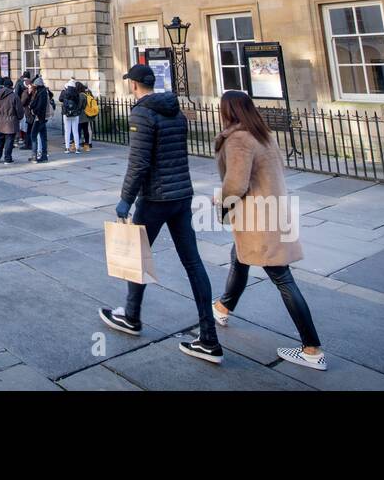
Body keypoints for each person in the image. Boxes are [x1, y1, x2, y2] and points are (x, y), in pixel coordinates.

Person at [99, 63, 222, 364]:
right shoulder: (176, 111)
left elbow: (139, 162)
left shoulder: (142, 112)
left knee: (136, 257)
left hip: (155, 198)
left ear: (134, 85)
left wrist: (125, 199)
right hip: (182, 195)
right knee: (193, 264)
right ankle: (209, 337)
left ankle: (131, 316)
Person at [210, 89, 326, 371]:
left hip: (258, 219)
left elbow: (237, 184)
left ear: (230, 111)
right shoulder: (263, 134)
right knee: (239, 258)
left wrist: (220, 198)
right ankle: (224, 307)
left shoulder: (239, 139)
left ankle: (312, 348)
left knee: (282, 277)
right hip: (273, 212)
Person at [0, 77, 21, 163]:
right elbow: (19, 110)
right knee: (9, 139)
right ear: (11, 86)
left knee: (0, 139)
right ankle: (7, 158)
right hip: (11, 121)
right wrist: (19, 117)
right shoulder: (14, 96)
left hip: (0, 120)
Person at [26, 75, 52, 162]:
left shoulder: (42, 92)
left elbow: (40, 106)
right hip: (43, 117)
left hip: (40, 117)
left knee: (33, 136)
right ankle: (44, 156)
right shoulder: (43, 91)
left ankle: (34, 156)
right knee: (43, 136)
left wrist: (34, 111)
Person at [60, 79, 83, 153]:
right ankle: (77, 148)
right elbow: (79, 104)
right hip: (75, 114)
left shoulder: (65, 92)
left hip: (66, 114)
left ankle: (67, 148)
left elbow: (60, 99)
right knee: (75, 131)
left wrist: (64, 90)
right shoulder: (77, 94)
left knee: (67, 131)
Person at [78, 82, 97, 151]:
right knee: (87, 130)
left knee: (80, 130)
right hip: (88, 113)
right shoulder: (89, 92)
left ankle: (84, 143)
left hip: (82, 114)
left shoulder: (81, 95)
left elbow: (80, 106)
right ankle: (88, 143)